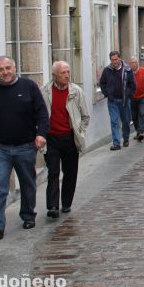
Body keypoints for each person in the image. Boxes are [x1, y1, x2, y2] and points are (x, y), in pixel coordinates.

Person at [0, 56, 49, 240]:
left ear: (15, 68)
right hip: (0, 148)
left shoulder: (29, 87)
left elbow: (42, 113)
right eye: (1, 69)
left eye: (8, 68)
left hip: (25, 146)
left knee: (27, 183)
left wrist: (41, 134)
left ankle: (28, 215)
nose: (5, 72)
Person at [40, 61, 90, 218]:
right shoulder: (45, 92)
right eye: (63, 73)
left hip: (69, 137)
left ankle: (66, 202)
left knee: (70, 172)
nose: (67, 75)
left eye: (68, 72)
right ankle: (53, 206)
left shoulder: (76, 92)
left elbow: (85, 116)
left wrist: (79, 131)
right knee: (53, 172)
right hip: (51, 138)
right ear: (54, 75)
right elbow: (39, 114)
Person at [99, 51, 136, 150]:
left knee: (126, 121)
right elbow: (102, 83)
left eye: (116, 59)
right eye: (112, 60)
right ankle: (116, 143)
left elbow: (132, 85)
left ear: (120, 58)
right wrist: (106, 93)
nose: (114, 62)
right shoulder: (107, 70)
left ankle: (126, 138)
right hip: (112, 101)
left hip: (124, 100)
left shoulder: (127, 69)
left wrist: (128, 93)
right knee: (114, 122)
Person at [129, 57, 144, 141]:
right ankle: (137, 131)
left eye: (135, 62)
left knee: (141, 113)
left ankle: (141, 132)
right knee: (134, 116)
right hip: (132, 98)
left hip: (143, 97)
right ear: (130, 64)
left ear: (138, 63)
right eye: (132, 63)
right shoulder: (128, 72)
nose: (134, 64)